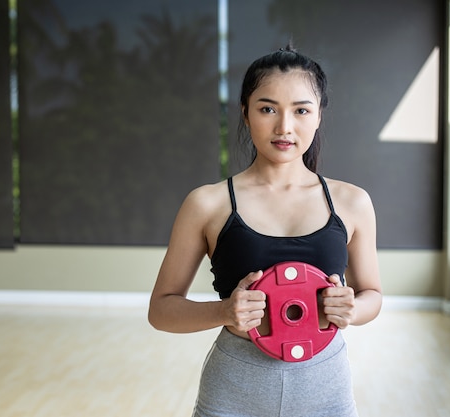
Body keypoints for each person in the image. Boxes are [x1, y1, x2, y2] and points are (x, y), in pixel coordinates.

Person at [148, 45, 382, 417]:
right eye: (268, 108)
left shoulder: (352, 202)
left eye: (301, 110)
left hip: (326, 390)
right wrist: (225, 311)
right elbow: (160, 311)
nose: (284, 127)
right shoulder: (208, 204)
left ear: (319, 115)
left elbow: (373, 295)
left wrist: (352, 308)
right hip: (234, 389)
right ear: (245, 113)